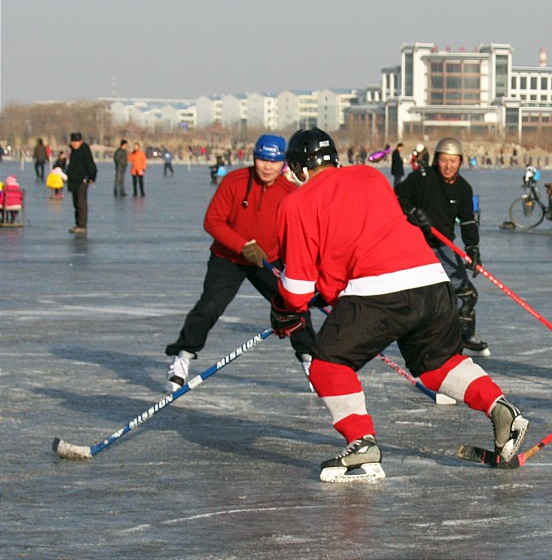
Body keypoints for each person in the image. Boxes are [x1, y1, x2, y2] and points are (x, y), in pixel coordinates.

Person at [271, 128, 529, 482]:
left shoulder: (296, 203)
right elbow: (363, 238)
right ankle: (500, 408)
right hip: (431, 280)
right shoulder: (370, 175)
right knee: (438, 365)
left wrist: (285, 310)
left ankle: (362, 447)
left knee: (327, 365)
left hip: (379, 289)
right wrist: (330, 290)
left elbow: (297, 287)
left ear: (299, 168)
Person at [163, 134, 317, 393]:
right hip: (228, 258)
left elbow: (297, 234)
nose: (267, 167)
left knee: (295, 308)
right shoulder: (234, 182)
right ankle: (183, 357)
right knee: (209, 306)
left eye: (274, 161)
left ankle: (310, 360)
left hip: (269, 260)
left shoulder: (290, 193)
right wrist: (242, 246)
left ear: (284, 164)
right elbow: (213, 221)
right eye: (262, 159)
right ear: (254, 158)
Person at [396, 137, 489, 356]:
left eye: (453, 161)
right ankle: (421, 339)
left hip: (443, 245)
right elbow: (397, 196)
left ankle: (464, 336)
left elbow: (467, 221)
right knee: (425, 298)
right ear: (437, 160)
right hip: (416, 246)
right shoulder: (422, 178)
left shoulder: (463, 188)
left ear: (460, 162)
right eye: (444, 160)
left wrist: (473, 248)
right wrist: (413, 213)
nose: (448, 166)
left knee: (467, 295)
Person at [66, 133, 97, 234]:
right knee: (75, 203)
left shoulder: (84, 151)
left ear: (81, 142)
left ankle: (82, 225)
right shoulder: (72, 151)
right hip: (73, 181)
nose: (75, 144)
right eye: (73, 142)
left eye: (77, 142)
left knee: (81, 203)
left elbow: (91, 165)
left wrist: (92, 177)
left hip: (82, 181)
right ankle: (78, 224)